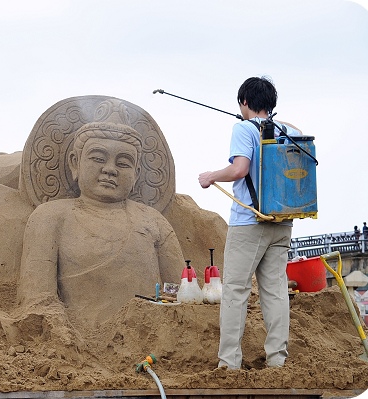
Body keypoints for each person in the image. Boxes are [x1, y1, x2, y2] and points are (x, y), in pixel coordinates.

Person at [18, 120, 183, 327]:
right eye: (98, 158)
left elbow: (178, 293)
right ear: (74, 163)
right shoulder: (50, 217)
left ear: (137, 173)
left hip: (146, 334)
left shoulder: (154, 221)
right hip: (74, 341)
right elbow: (37, 301)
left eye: (123, 163)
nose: (110, 170)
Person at [198, 76, 302, 369]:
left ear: (244, 102)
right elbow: (299, 134)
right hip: (282, 221)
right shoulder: (288, 130)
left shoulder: (243, 128)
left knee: (235, 289)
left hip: (249, 221)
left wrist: (210, 177)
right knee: (276, 290)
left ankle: (229, 363)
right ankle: (277, 360)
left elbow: (240, 168)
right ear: (271, 105)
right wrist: (271, 119)